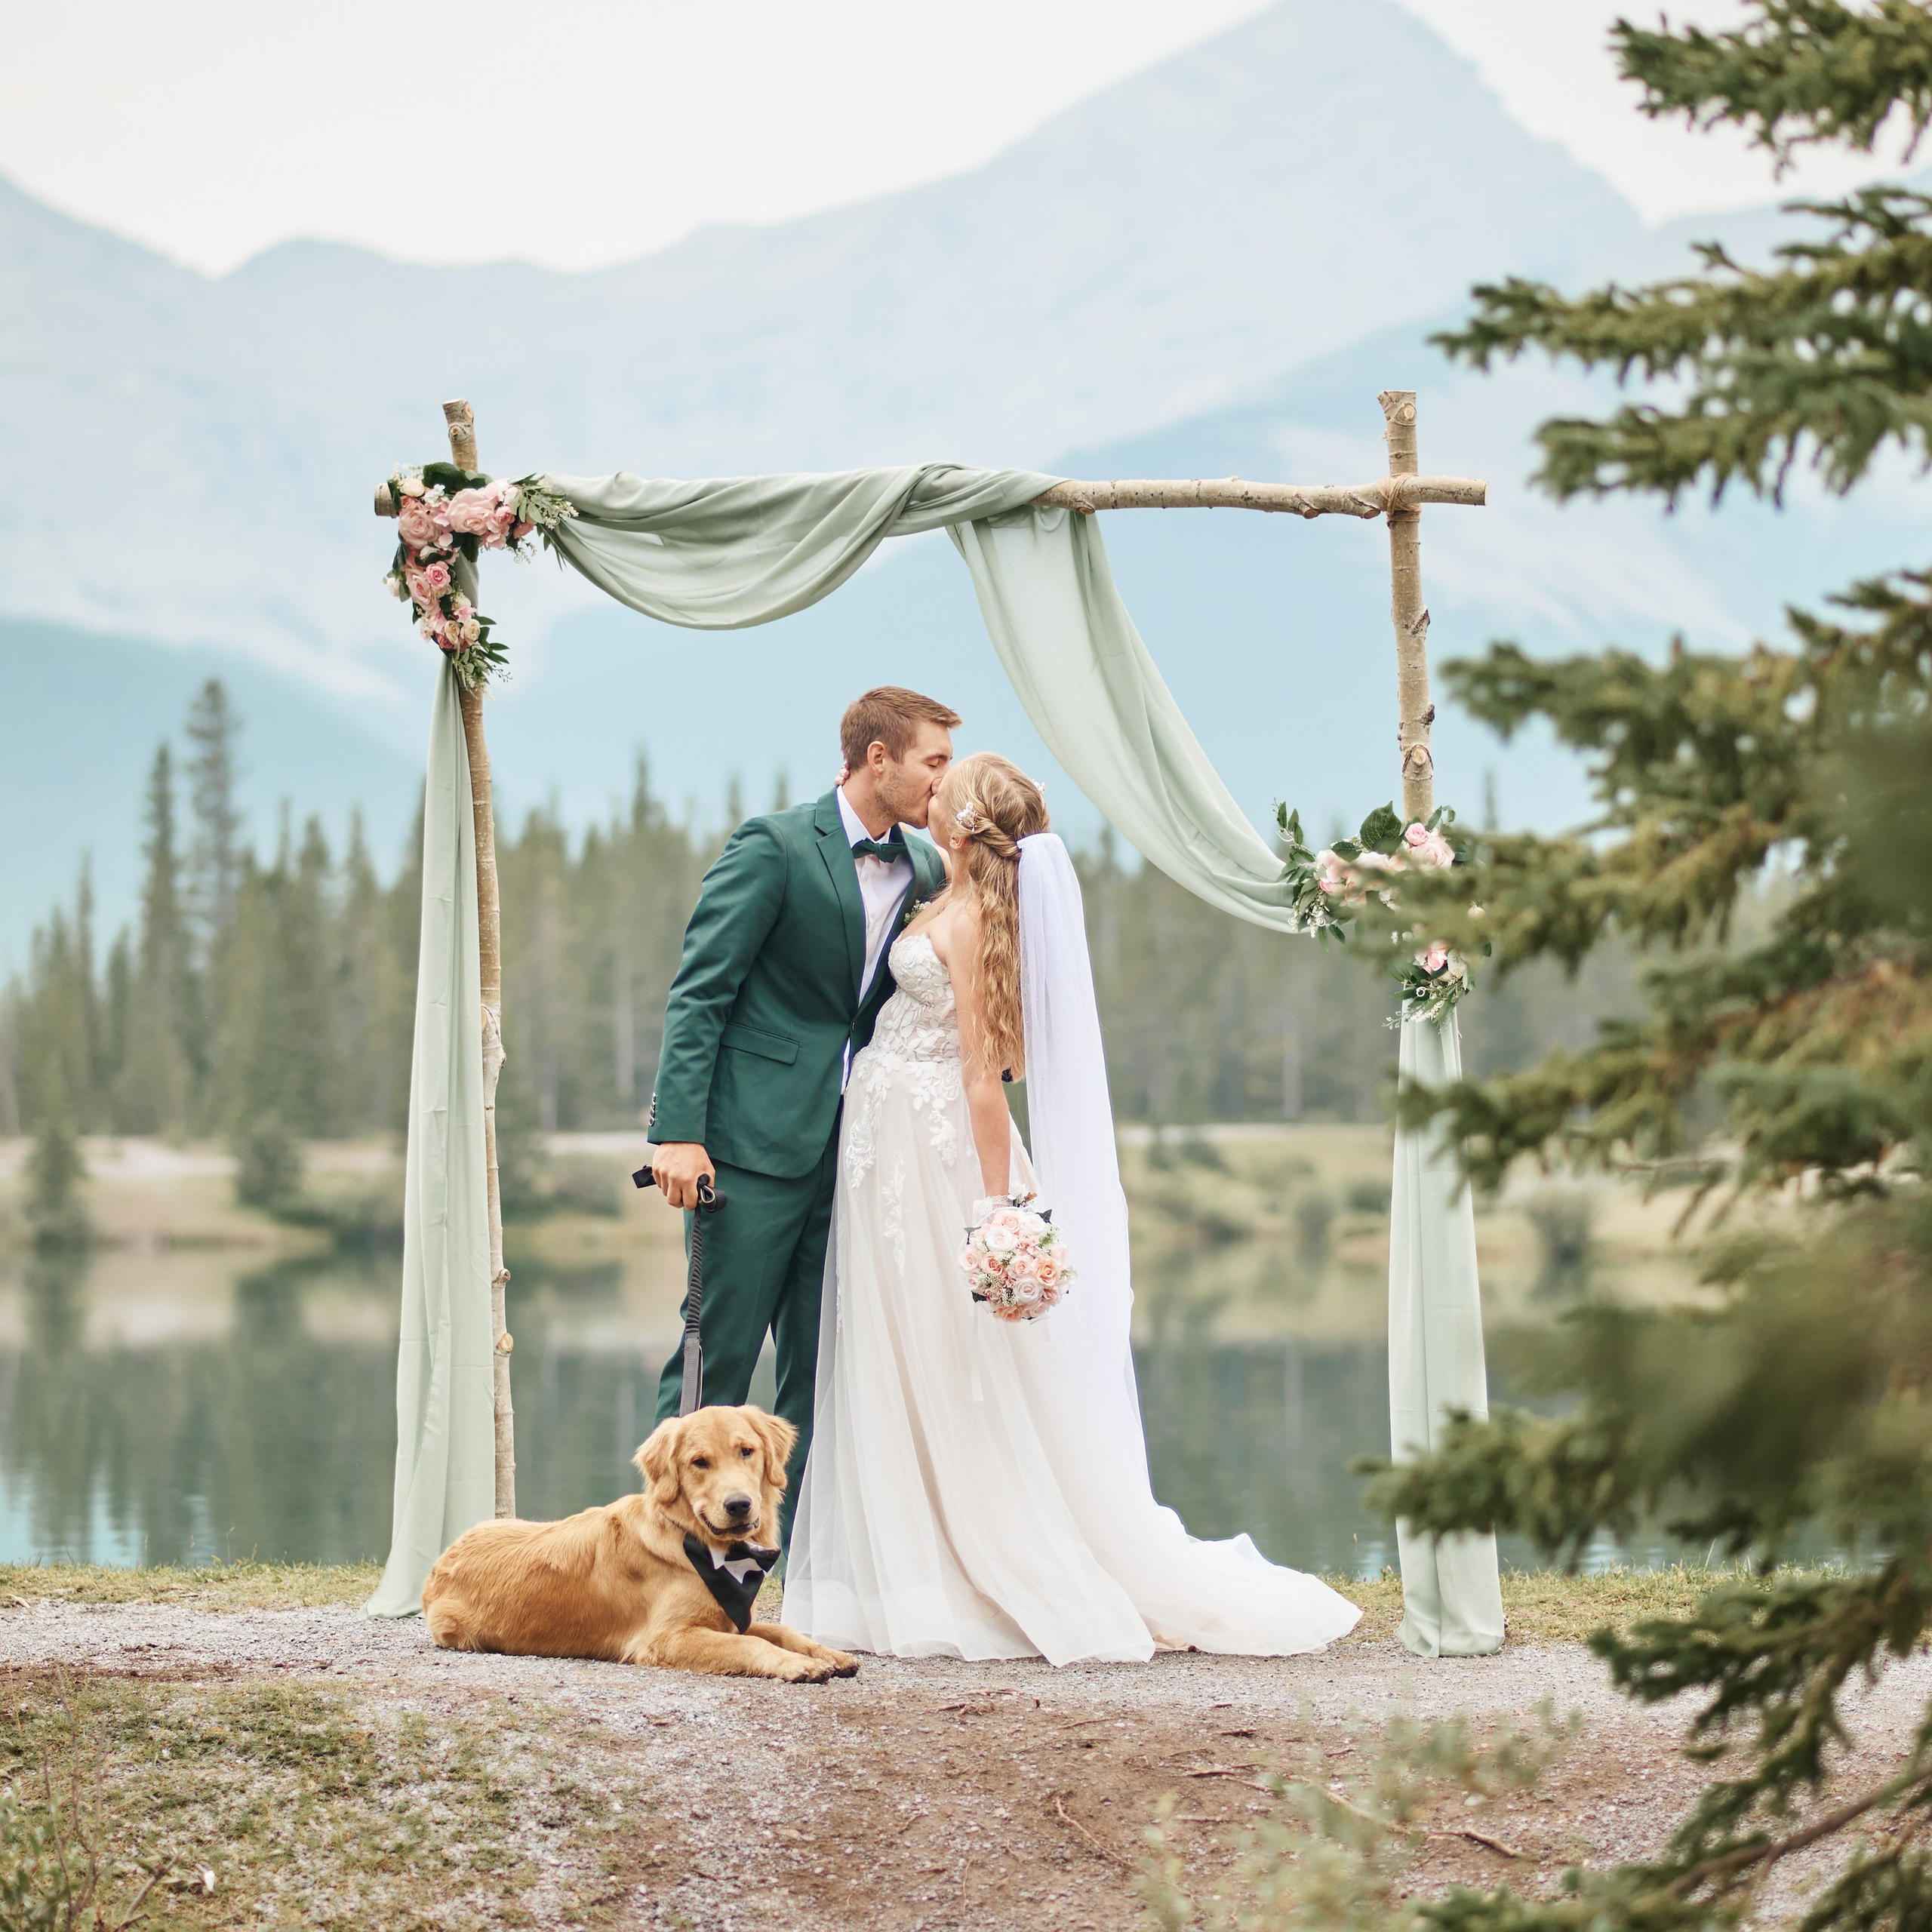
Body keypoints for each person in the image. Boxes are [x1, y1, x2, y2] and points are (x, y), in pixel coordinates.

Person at [782, 753, 1360, 1663]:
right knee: (893, 1342)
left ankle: (984, 1561)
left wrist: (990, 1205)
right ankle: (910, 1559)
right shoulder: (944, 893)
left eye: (943, 786)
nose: (926, 793)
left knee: (947, 1348)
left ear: (966, 819)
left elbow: (982, 1075)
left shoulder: (974, 919)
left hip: (929, 1152)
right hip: (883, 1141)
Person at [646, 687, 958, 1540]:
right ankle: (668, 1556)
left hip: (862, 1155)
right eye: (934, 759)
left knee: (825, 1371)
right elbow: (700, 992)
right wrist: (678, 1131)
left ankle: (793, 1560)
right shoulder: (775, 845)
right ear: (878, 757)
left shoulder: (929, 870)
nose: (945, 778)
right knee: (718, 1355)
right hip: (747, 1150)